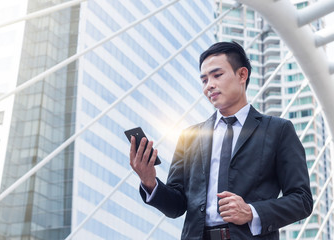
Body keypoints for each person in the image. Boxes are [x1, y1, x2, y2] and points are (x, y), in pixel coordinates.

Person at [129, 41, 313, 240]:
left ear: (242, 75)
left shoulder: (278, 130)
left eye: (217, 75)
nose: (210, 85)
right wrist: (149, 181)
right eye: (204, 80)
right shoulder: (189, 137)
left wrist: (251, 212)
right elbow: (176, 207)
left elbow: (301, 200)